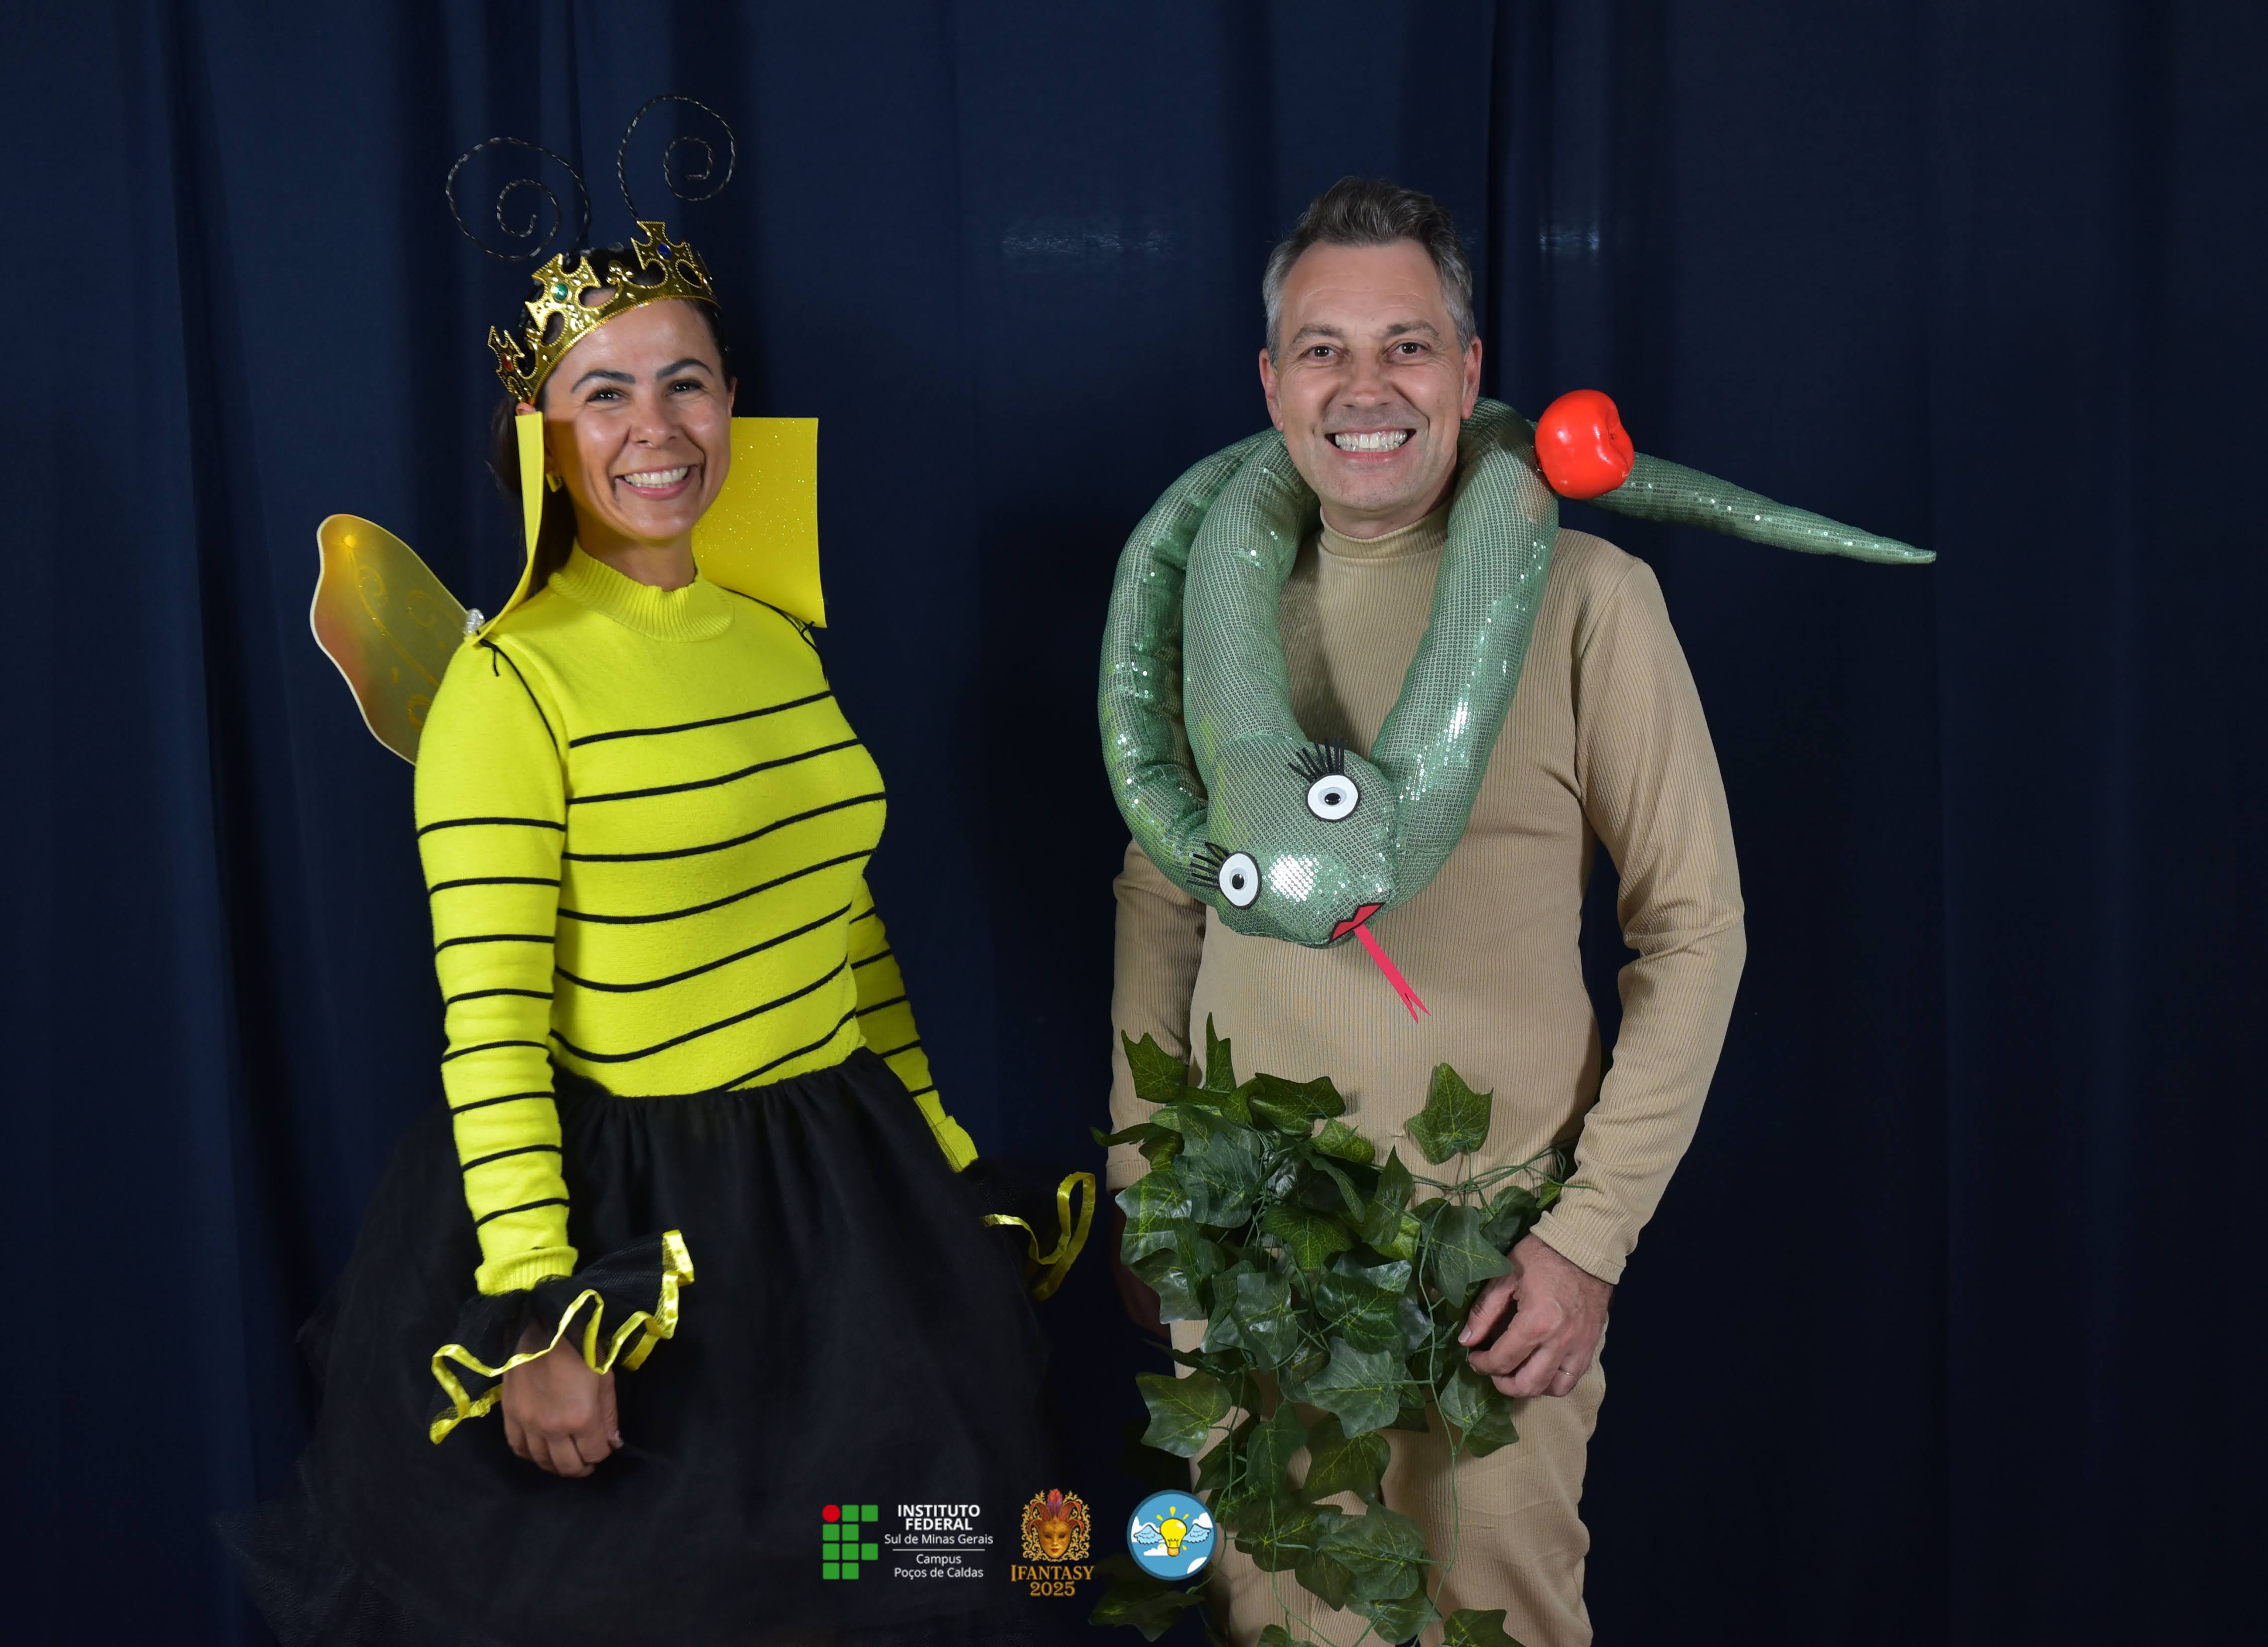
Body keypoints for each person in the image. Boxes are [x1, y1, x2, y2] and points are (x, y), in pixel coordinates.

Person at [227, 156, 1068, 1646]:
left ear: (733, 402)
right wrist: (540, 1313)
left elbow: (846, 928)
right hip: (646, 1239)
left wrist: (942, 1163)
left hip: (843, 1213)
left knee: (891, 1585)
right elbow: (490, 1031)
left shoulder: (775, 635)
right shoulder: (507, 686)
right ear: (540, 435)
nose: (656, 426)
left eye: (686, 382)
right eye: (603, 393)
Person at [1105, 177, 1745, 1646]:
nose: (1365, 388)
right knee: (1269, 1615)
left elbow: (1695, 928)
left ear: (1468, 370)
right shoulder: (1216, 611)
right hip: (1247, 1251)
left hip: (1495, 1262)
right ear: (1271, 382)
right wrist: (1148, 1183)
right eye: (1322, 350)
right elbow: (1162, 893)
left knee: (1494, 1618)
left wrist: (1588, 1240)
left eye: (1406, 346)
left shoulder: (1590, 598)